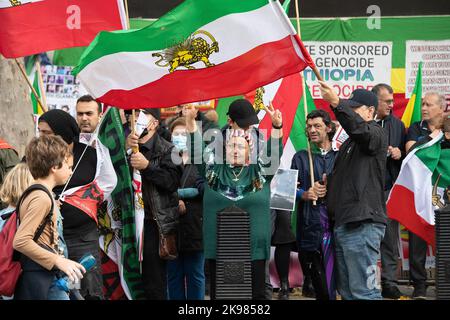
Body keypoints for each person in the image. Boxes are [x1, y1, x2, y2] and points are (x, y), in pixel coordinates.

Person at [186, 99, 283, 300]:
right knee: (221, 296)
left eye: (241, 146)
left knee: (255, 297)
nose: (236, 150)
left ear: (250, 151)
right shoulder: (214, 174)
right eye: (231, 146)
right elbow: (197, 154)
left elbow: (274, 153)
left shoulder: (260, 174)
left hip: (253, 250)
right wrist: (189, 121)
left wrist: (276, 126)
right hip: (220, 248)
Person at [319, 82, 388, 300]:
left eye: (354, 109)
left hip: (363, 225)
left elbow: (360, 129)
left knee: (365, 293)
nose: (349, 114)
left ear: (370, 112)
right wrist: (328, 184)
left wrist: (337, 104)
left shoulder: (376, 134)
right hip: (344, 224)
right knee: (348, 293)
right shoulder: (349, 144)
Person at [38, 109, 102, 300]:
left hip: (83, 240)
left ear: (63, 133)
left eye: (46, 133)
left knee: (85, 290)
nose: (41, 137)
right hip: (51, 242)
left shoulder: (91, 156)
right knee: (62, 291)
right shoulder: (37, 156)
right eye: (39, 131)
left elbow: (106, 185)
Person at [13, 135, 86, 300]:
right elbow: (21, 241)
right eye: (68, 166)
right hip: (45, 278)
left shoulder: (40, 194)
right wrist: (59, 261)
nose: (71, 171)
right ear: (55, 167)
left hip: (49, 276)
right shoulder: (41, 197)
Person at [126, 108, 181, 300]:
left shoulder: (170, 149)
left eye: (141, 115)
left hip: (153, 225)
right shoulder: (124, 147)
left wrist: (147, 167)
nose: (134, 120)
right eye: (131, 115)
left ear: (155, 122)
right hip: (127, 224)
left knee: (153, 283)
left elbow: (172, 182)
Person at [291, 109, 338, 300]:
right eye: (309, 126)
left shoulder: (340, 155)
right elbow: (286, 191)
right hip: (310, 229)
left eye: (317, 126)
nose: (312, 130)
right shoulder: (301, 157)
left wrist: (331, 189)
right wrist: (305, 194)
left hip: (337, 230)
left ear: (328, 128)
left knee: (338, 285)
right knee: (322, 290)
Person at [405, 92, 446, 300]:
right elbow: (411, 150)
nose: (423, 108)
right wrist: (436, 137)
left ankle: (444, 284)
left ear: (442, 108)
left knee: (445, 241)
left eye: (428, 104)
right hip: (422, 192)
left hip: (444, 193)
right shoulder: (415, 127)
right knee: (418, 238)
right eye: (422, 104)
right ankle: (419, 285)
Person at [371, 84, 407, 299]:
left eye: (393, 101)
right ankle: (370, 282)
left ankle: (390, 283)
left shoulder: (398, 124)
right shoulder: (363, 122)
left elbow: (406, 154)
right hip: (366, 192)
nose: (392, 105)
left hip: (387, 190)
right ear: (375, 102)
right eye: (388, 101)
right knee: (367, 238)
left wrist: (398, 152)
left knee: (390, 238)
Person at [167, 117, 205, 300]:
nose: (180, 137)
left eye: (184, 134)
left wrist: (177, 194)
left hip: (195, 226)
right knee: (173, 277)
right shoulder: (166, 160)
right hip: (171, 227)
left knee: (195, 275)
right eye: (176, 134)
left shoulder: (201, 161)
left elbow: (204, 187)